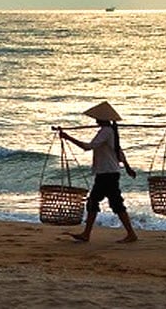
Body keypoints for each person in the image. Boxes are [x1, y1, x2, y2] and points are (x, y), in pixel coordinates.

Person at [58, 101, 138, 243]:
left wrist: (68, 137)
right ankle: (87, 234)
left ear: (102, 119)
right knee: (96, 202)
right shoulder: (111, 131)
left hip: (107, 174)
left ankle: (130, 234)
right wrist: (127, 166)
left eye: (97, 118)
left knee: (112, 204)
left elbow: (88, 147)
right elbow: (118, 151)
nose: (95, 120)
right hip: (108, 173)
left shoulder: (106, 132)